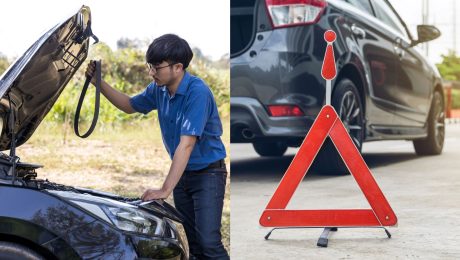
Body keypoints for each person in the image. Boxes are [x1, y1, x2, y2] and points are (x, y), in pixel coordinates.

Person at [85, 34, 229, 260]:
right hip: (183, 176)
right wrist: (98, 82)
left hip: (208, 174)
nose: (151, 72)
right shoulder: (158, 90)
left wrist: (164, 190)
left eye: (157, 67)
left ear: (178, 67)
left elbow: (187, 144)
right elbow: (129, 105)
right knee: (195, 245)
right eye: (150, 66)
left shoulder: (197, 92)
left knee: (209, 243)